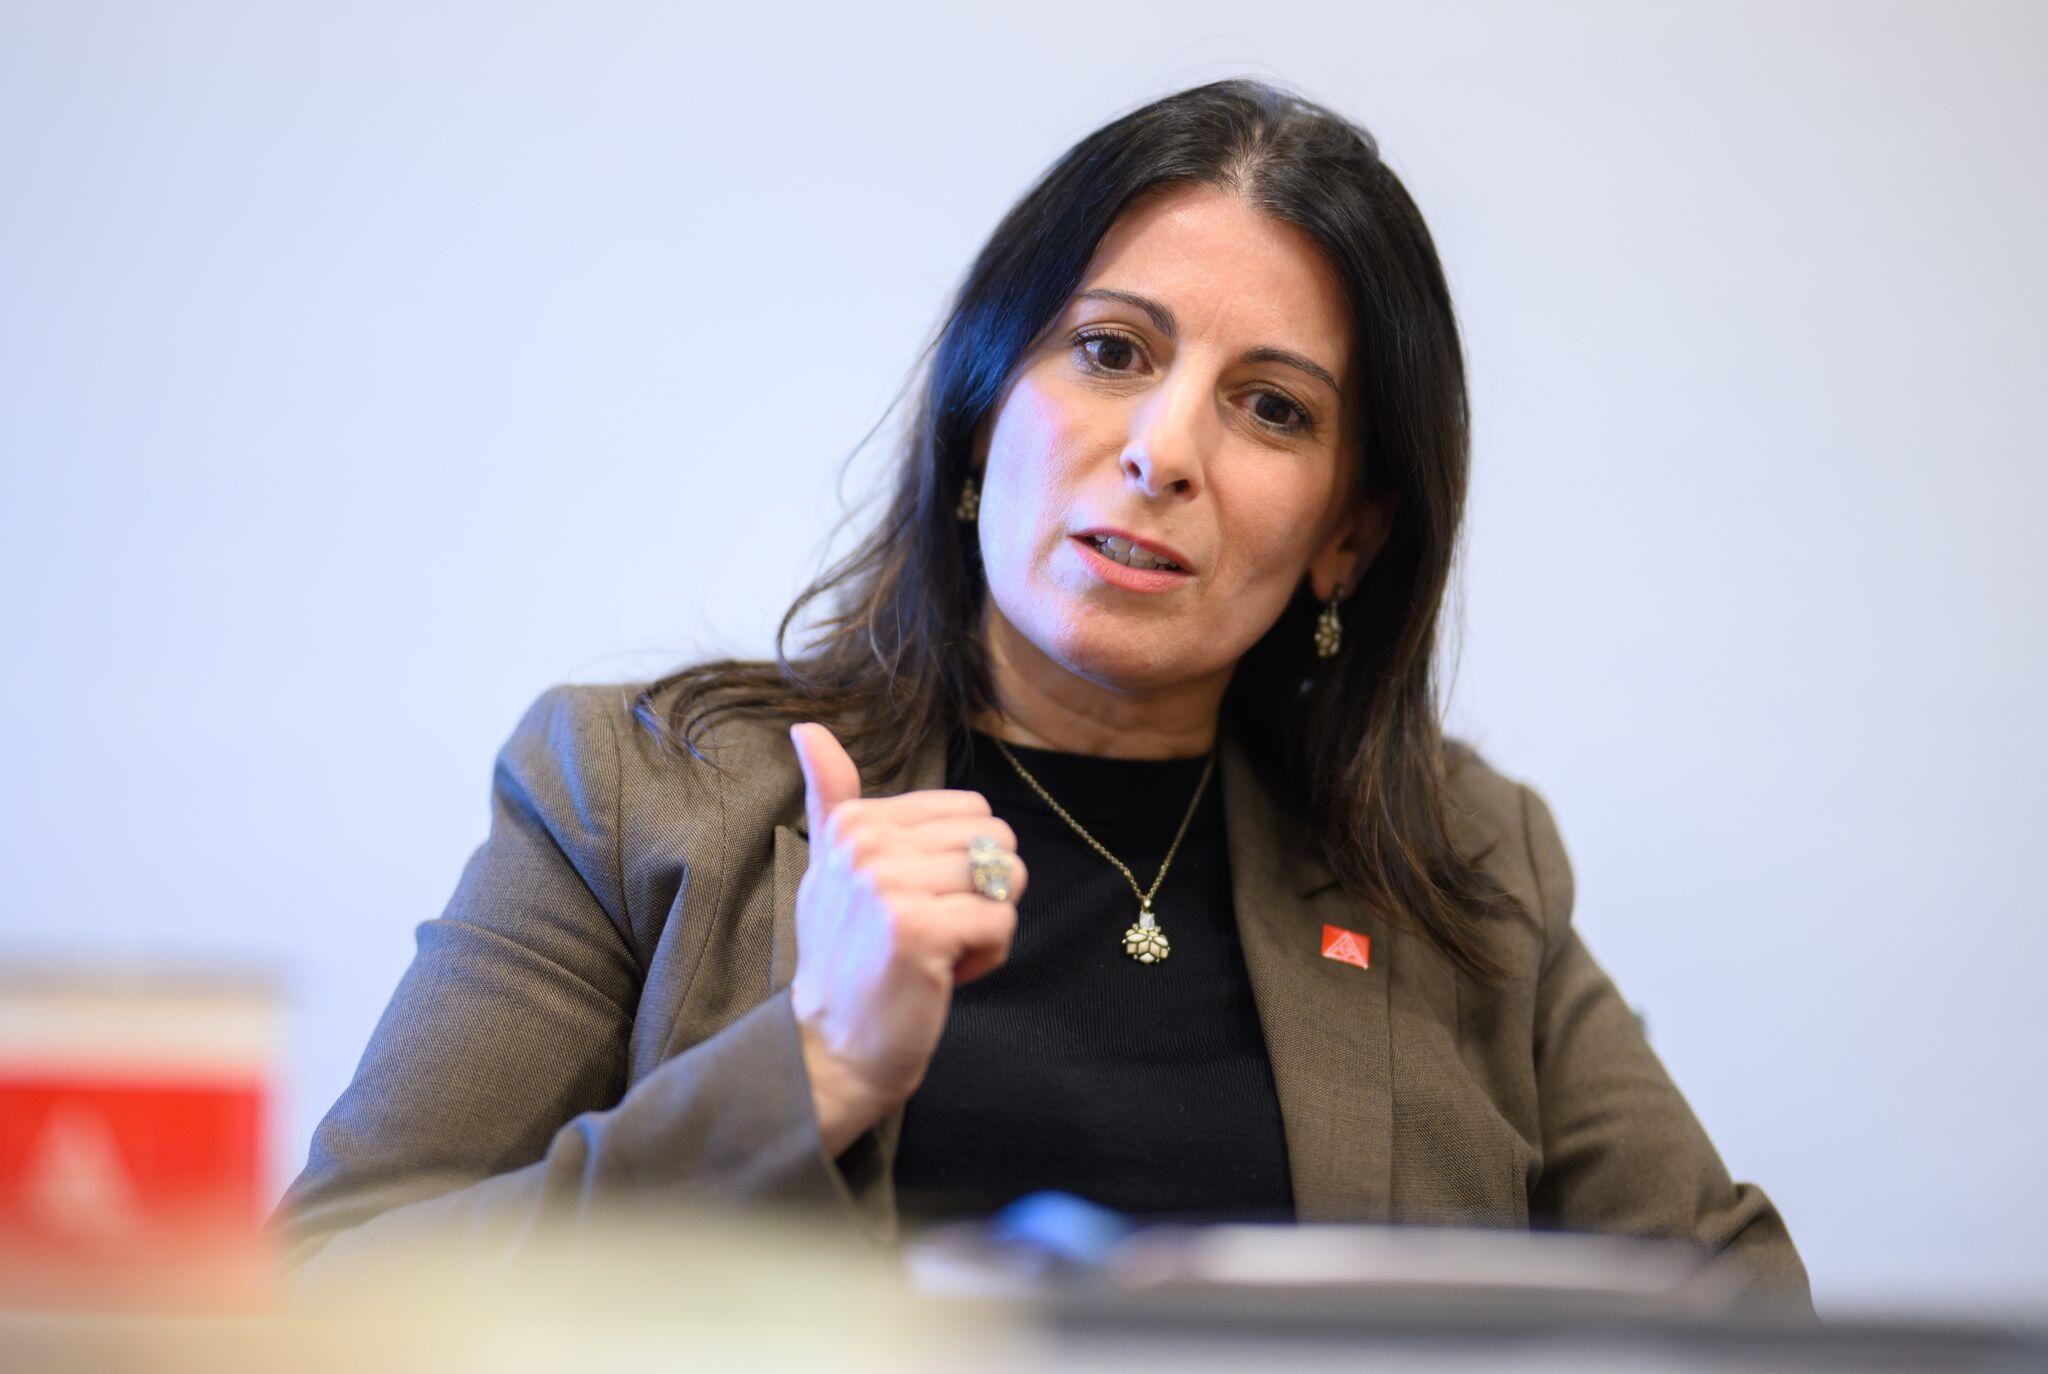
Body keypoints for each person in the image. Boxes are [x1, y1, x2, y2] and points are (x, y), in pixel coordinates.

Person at [272, 78, 1811, 1311]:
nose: (1163, 449)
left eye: (1273, 408)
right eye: (1111, 350)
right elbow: (322, 1294)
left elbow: (1738, 1308)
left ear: (1348, 535)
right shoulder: (640, 789)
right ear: (978, 416)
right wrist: (816, 1064)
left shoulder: (1462, 861)